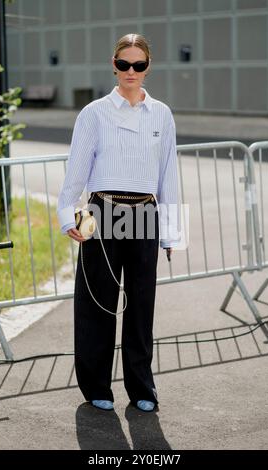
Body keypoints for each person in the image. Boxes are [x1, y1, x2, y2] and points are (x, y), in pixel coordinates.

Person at [57, 33, 181, 412]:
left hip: (145, 212)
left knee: (142, 305)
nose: (131, 71)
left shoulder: (161, 114)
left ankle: (142, 388)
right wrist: (67, 216)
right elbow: (76, 169)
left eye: (138, 65)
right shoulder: (94, 112)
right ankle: (96, 386)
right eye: (124, 64)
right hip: (101, 212)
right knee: (98, 302)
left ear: (147, 68)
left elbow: (168, 172)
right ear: (114, 65)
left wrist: (171, 229)